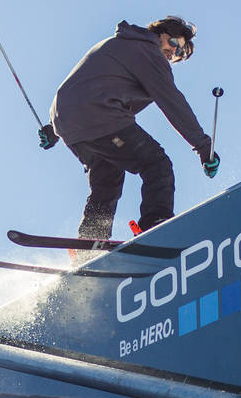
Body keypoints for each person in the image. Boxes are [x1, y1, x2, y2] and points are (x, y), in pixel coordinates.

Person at [39, 16, 219, 240]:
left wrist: (52, 129)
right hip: (99, 116)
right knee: (156, 164)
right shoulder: (148, 51)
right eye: (173, 43)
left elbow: (84, 84)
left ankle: (90, 242)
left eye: (180, 53)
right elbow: (172, 101)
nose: (174, 53)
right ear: (160, 33)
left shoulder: (123, 46)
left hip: (70, 124)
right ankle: (156, 225)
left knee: (107, 179)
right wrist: (203, 146)